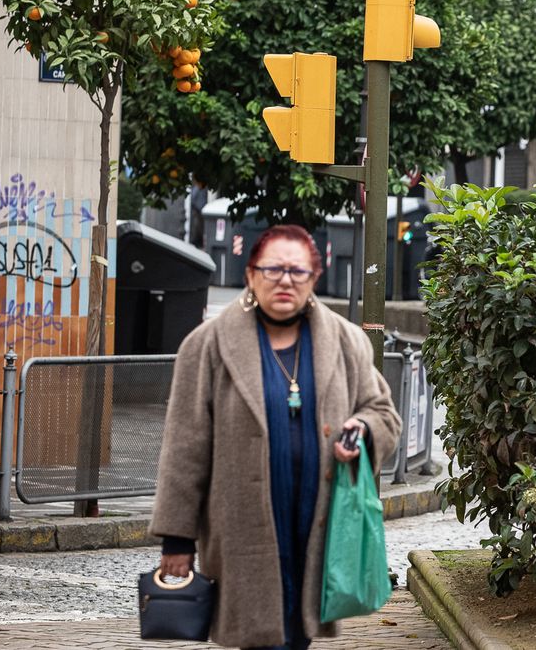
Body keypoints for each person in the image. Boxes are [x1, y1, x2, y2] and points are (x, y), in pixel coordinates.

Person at [151, 225, 401, 650]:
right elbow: (184, 447)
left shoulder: (346, 342)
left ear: (313, 280)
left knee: (297, 633)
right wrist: (178, 539)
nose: (285, 280)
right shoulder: (207, 346)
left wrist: (361, 431)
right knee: (261, 638)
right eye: (273, 269)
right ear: (250, 275)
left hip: (316, 524)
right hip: (240, 531)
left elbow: (383, 414)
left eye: (297, 272)